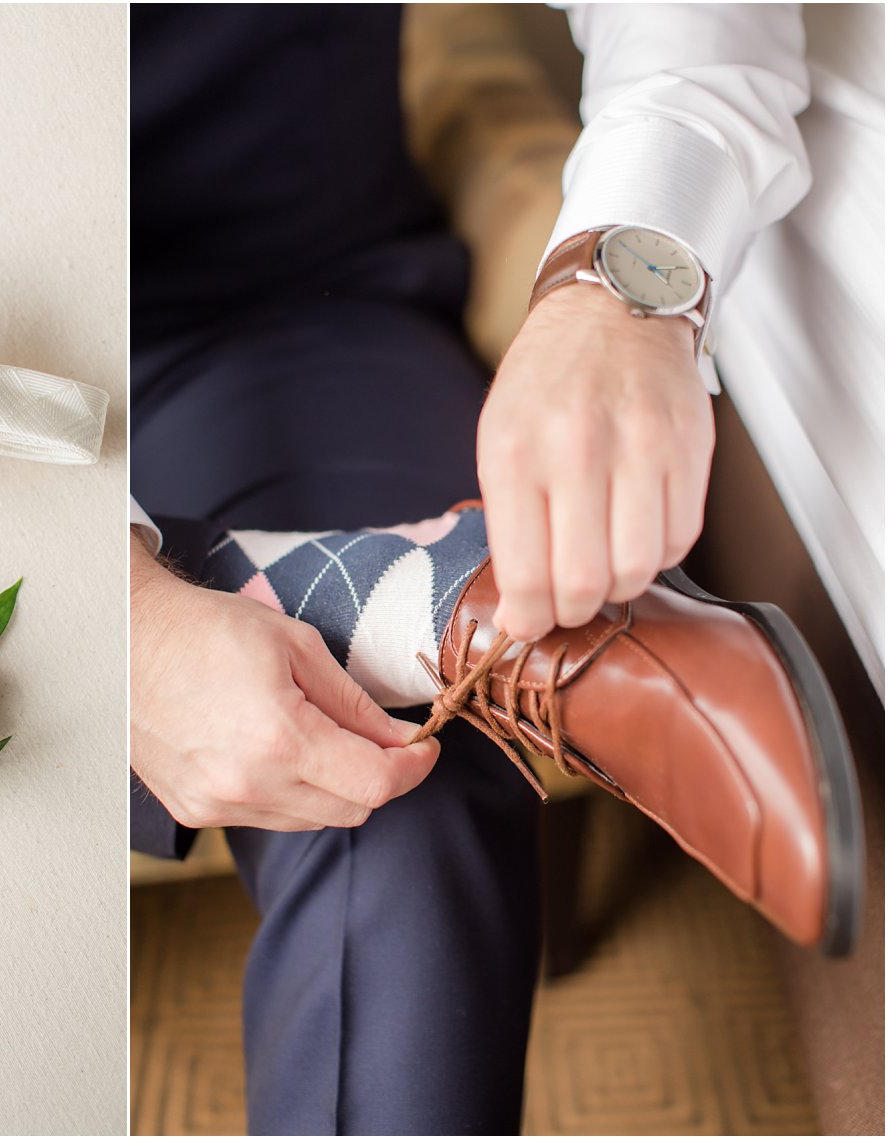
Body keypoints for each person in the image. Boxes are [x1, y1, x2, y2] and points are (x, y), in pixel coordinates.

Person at [130, 4, 872, 1133]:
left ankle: (427, 616)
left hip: (274, 310)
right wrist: (116, 619)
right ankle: (438, 599)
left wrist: (615, 283)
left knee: (391, 787)